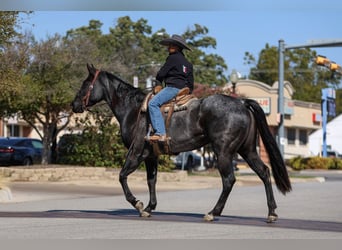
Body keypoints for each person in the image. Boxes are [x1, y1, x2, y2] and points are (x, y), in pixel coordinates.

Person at [148, 34, 194, 142]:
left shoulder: (172, 58)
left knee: (152, 104)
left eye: (171, 45)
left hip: (172, 88)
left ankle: (160, 133)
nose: (168, 47)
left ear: (177, 47)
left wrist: (158, 83)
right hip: (184, 91)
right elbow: (191, 83)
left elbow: (161, 74)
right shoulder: (188, 64)